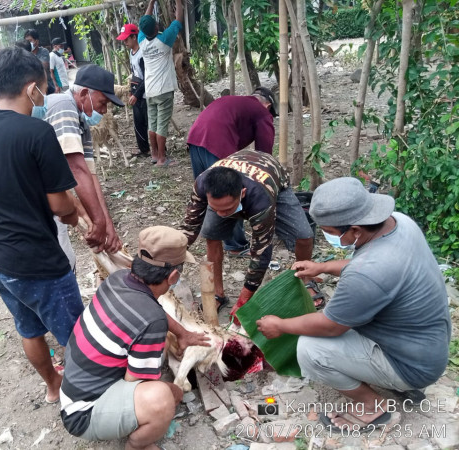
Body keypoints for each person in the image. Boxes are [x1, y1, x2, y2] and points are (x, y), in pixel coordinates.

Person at [256, 177, 451, 432]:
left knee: (310, 349)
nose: (327, 236)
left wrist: (280, 325)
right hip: (428, 346)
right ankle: (395, 380)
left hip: (412, 365)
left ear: (356, 230)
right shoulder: (399, 223)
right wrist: (323, 266)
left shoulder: (368, 274)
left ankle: (375, 408)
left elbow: (330, 326)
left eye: (331, 232)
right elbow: (372, 268)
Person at [0, 46, 84, 405]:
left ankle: (53, 387)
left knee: (29, 327)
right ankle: (93, 401)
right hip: (34, 262)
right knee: (79, 337)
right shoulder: (37, 131)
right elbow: (59, 204)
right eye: (45, 86)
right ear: (32, 87)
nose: (45, 94)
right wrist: (75, 213)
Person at [60, 226, 210, 448]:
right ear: (173, 276)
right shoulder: (151, 321)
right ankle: (136, 446)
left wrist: (183, 333)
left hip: (73, 391)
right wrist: (174, 391)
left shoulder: (119, 279)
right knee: (163, 398)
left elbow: (153, 311)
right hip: (83, 415)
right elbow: (136, 383)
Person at [182, 149, 315, 316]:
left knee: (304, 235)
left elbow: (261, 251)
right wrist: (171, 259)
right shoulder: (202, 184)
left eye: (227, 209)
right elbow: (189, 227)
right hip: (238, 169)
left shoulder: (261, 198)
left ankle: (306, 279)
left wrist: (243, 300)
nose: (222, 214)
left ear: (242, 194)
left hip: (269, 177)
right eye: (216, 208)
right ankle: (218, 294)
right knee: (211, 235)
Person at [45, 64, 124, 260]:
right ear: (84, 94)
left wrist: (107, 224)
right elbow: (76, 169)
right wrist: (98, 223)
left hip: (48, 190)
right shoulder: (63, 106)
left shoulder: (82, 123)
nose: (104, 110)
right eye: (102, 103)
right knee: (61, 259)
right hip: (32, 193)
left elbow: (90, 176)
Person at [187, 87, 278, 258]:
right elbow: (264, 153)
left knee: (208, 190)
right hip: (217, 142)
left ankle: (197, 233)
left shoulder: (235, 102)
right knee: (230, 191)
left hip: (195, 139)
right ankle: (234, 245)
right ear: (268, 105)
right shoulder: (262, 112)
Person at [138, 0, 183, 166]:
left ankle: (155, 155)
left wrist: (151, 2)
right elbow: (178, 19)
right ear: (156, 28)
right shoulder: (164, 39)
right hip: (163, 89)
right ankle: (162, 159)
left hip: (150, 89)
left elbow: (145, 19)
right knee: (162, 125)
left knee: (153, 124)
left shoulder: (141, 40)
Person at [117, 23, 150, 158]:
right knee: (138, 122)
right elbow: (134, 73)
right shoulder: (132, 52)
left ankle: (158, 148)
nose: (125, 42)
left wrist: (137, 94)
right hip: (136, 88)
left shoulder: (142, 54)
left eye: (126, 39)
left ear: (134, 37)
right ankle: (143, 148)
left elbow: (146, 76)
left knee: (149, 121)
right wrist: (132, 90)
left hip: (145, 92)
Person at [24, 29, 55, 94]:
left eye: (30, 41)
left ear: (37, 41)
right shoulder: (25, 53)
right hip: (33, 88)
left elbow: (43, 66)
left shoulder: (43, 51)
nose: (28, 43)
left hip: (47, 86)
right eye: (26, 41)